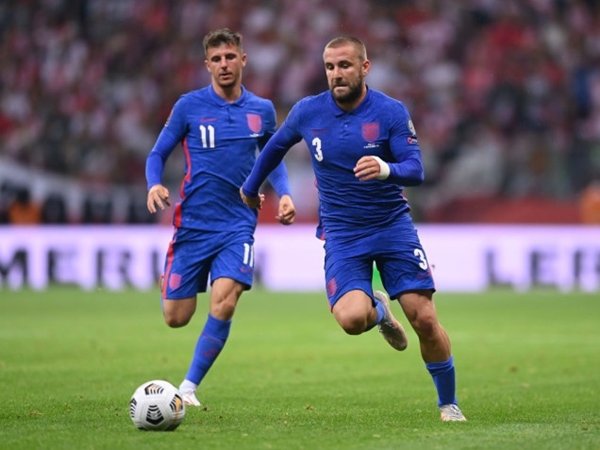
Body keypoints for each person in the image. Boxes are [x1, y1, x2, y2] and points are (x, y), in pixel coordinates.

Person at [240, 36, 466, 422]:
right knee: (350, 320)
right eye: (329, 67)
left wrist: (386, 169)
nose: (336, 74)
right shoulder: (308, 112)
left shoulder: (390, 112)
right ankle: (379, 311)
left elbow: (416, 169)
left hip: (392, 226)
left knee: (425, 318)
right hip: (343, 235)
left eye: (344, 65)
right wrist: (250, 188)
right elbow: (274, 147)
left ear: (365, 67)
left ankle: (448, 404)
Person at [145, 28, 296, 407]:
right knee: (175, 318)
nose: (224, 65)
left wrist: (286, 194)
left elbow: (272, 158)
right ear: (207, 65)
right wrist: (153, 184)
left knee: (224, 302)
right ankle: (172, 277)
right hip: (193, 223)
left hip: (238, 223)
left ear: (243, 60)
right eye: (216, 59)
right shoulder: (188, 106)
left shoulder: (261, 110)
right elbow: (157, 154)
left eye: (230, 57)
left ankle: (189, 388)